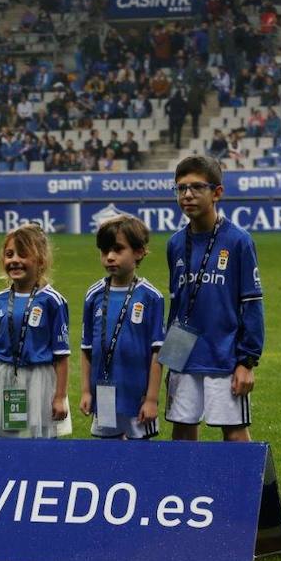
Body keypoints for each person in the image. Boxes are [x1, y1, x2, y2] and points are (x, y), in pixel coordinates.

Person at [161, 156, 264, 443]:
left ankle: (243, 489)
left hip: (225, 357)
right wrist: (170, 358)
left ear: (217, 192)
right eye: (181, 189)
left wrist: (247, 361)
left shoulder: (238, 241)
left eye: (196, 187)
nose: (188, 195)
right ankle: (183, 488)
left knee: (233, 433)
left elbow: (252, 304)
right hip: (184, 357)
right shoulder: (175, 244)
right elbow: (177, 304)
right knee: (181, 431)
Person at [0, 224, 72, 438]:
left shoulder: (53, 301)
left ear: (41, 261)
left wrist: (60, 396)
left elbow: (61, 356)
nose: (14, 260)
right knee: (4, 441)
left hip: (38, 379)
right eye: (9, 254)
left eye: (23, 254)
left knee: (40, 442)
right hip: (2, 377)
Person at [80, 215, 165, 440]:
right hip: (103, 392)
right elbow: (86, 348)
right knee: (107, 454)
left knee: (140, 456)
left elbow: (158, 352)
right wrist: (87, 391)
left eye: (118, 249)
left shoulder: (151, 297)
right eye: (105, 251)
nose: (110, 257)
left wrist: (151, 399)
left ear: (138, 252)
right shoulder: (93, 294)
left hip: (136, 396)